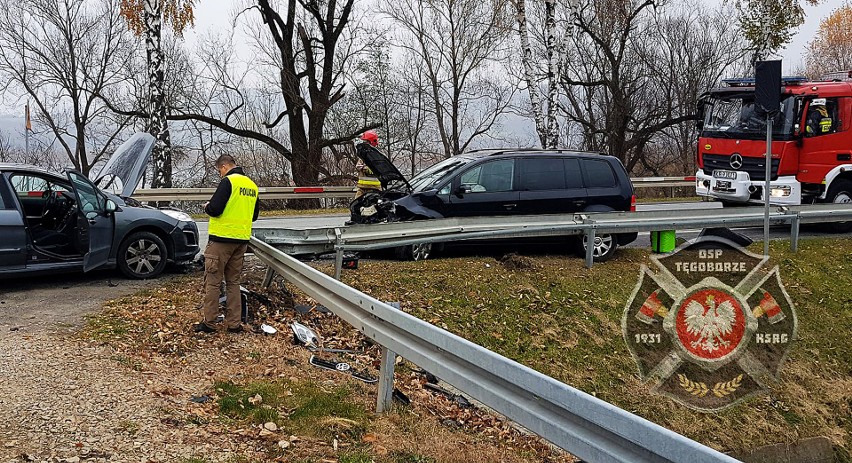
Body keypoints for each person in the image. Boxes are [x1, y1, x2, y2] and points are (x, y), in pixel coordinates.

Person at [193, 154, 260, 334]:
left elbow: (215, 209)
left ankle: (210, 323)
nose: (220, 174)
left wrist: (207, 206)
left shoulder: (228, 182)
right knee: (233, 282)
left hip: (221, 241)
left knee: (213, 282)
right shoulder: (252, 186)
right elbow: (254, 216)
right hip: (241, 242)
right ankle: (234, 324)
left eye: (219, 171)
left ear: (223, 167)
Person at [354, 130, 382, 199]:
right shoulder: (363, 155)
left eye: (366, 142)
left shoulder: (378, 156)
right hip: (362, 188)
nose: (364, 144)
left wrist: (364, 168)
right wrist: (359, 167)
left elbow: (377, 169)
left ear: (372, 142)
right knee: (356, 205)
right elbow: (358, 166)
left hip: (374, 189)